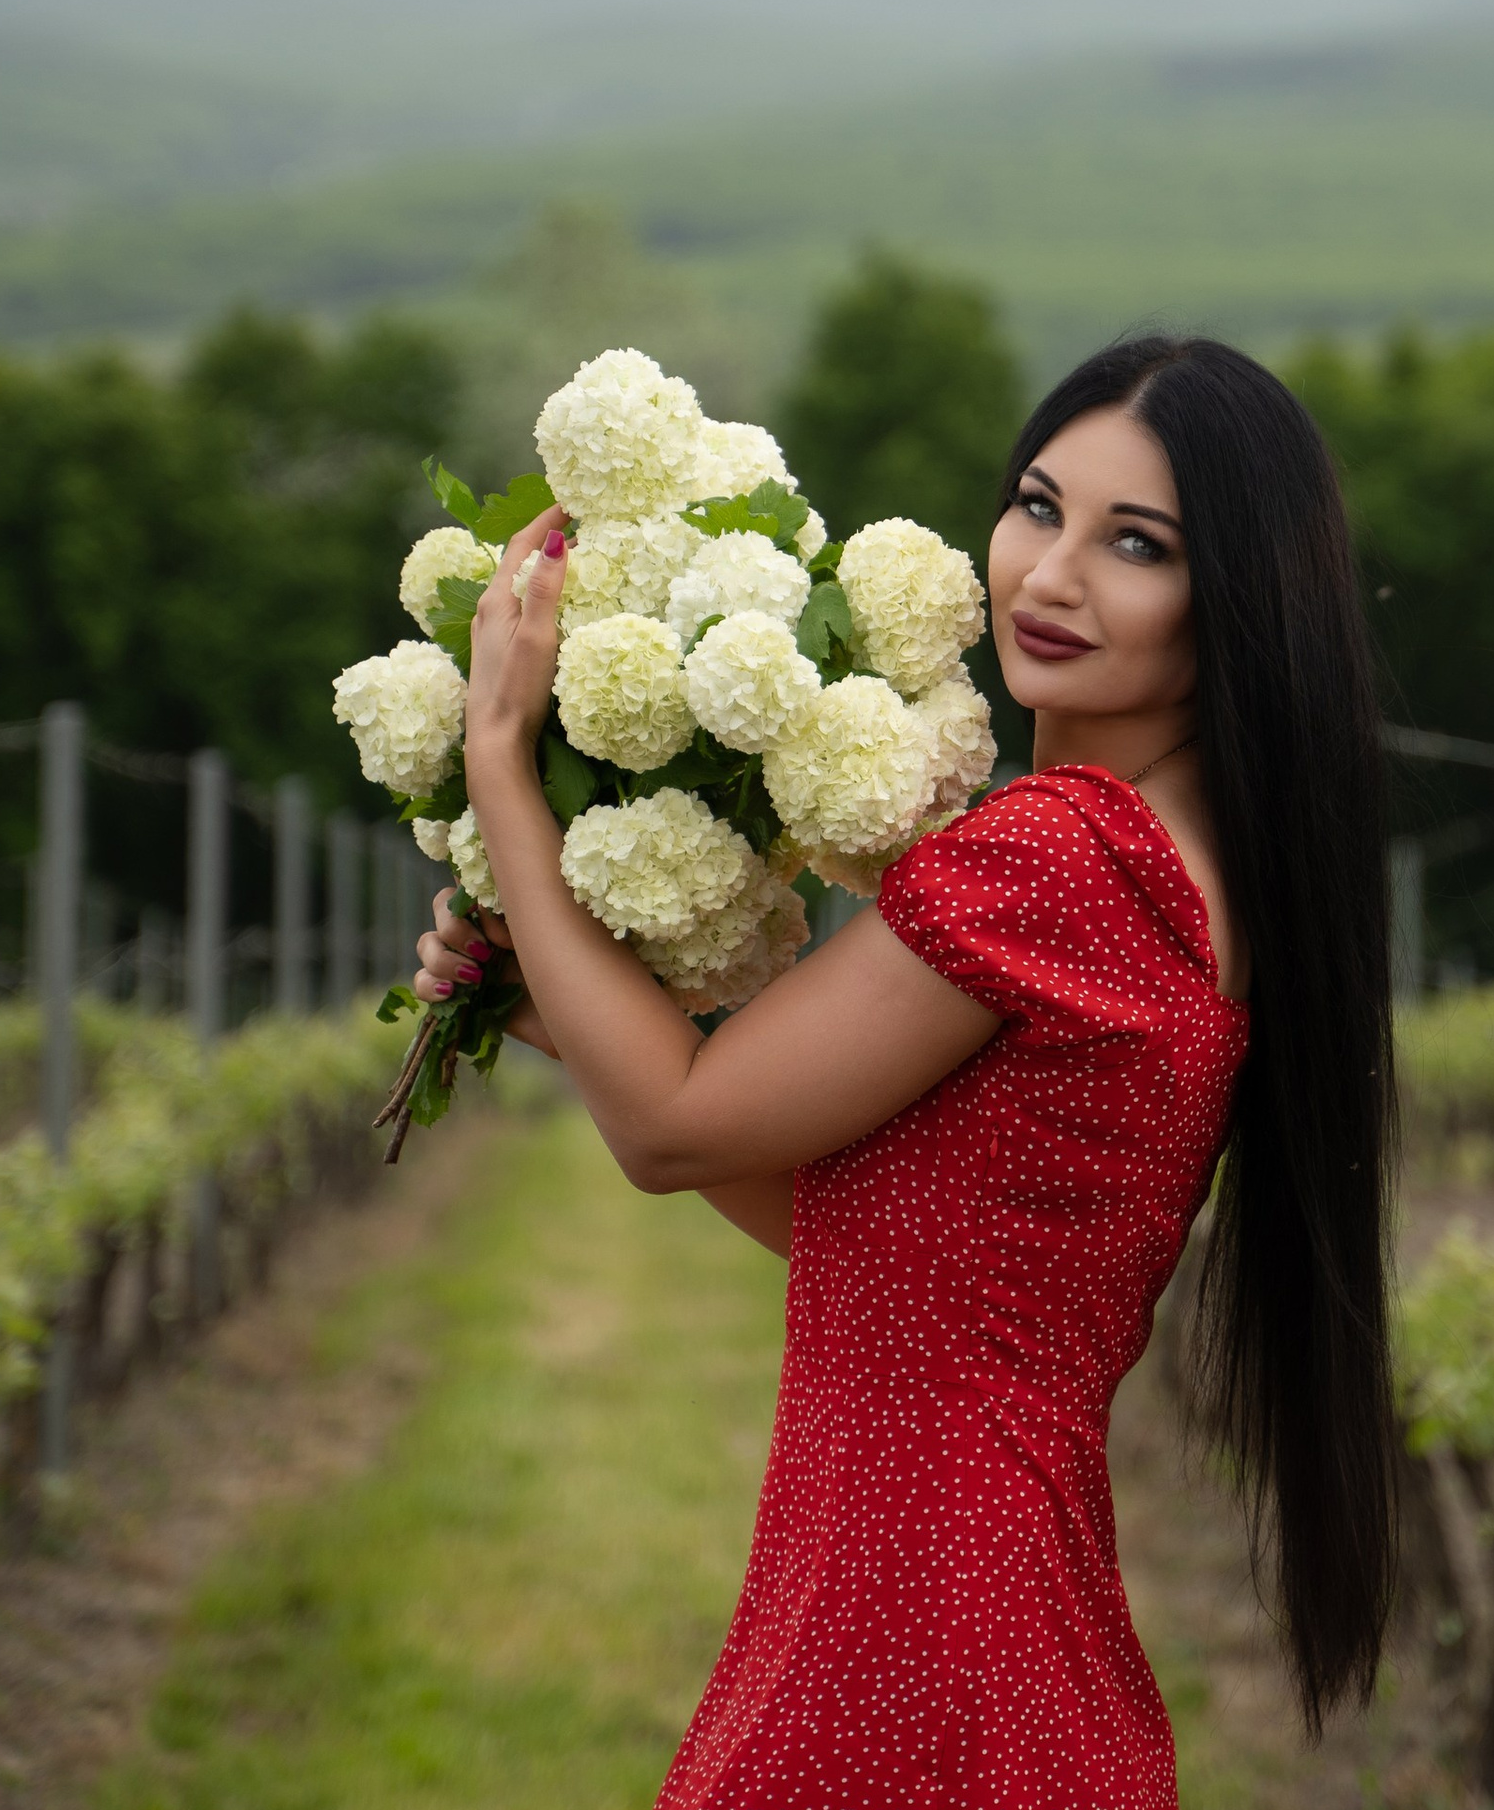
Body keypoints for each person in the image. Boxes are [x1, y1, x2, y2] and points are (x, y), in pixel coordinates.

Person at [412, 334, 1398, 1806]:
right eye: (1038, 505)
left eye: (1137, 545)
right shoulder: (1196, 871)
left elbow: (673, 1131)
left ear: (1237, 601)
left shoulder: (1060, 854)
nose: (1051, 575)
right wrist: (565, 1001)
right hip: (989, 1630)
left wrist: (502, 756)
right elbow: (884, 1250)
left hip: (911, 1634)